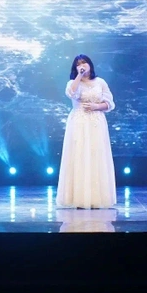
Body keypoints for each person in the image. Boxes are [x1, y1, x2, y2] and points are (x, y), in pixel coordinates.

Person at [56, 54, 117, 209]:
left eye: (84, 63)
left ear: (90, 64)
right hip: (79, 122)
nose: (81, 65)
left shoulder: (100, 82)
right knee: (79, 155)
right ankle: (79, 198)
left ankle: (96, 198)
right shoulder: (72, 82)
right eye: (78, 64)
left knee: (96, 156)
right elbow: (72, 93)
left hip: (96, 122)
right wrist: (79, 76)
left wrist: (97, 107)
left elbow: (110, 103)